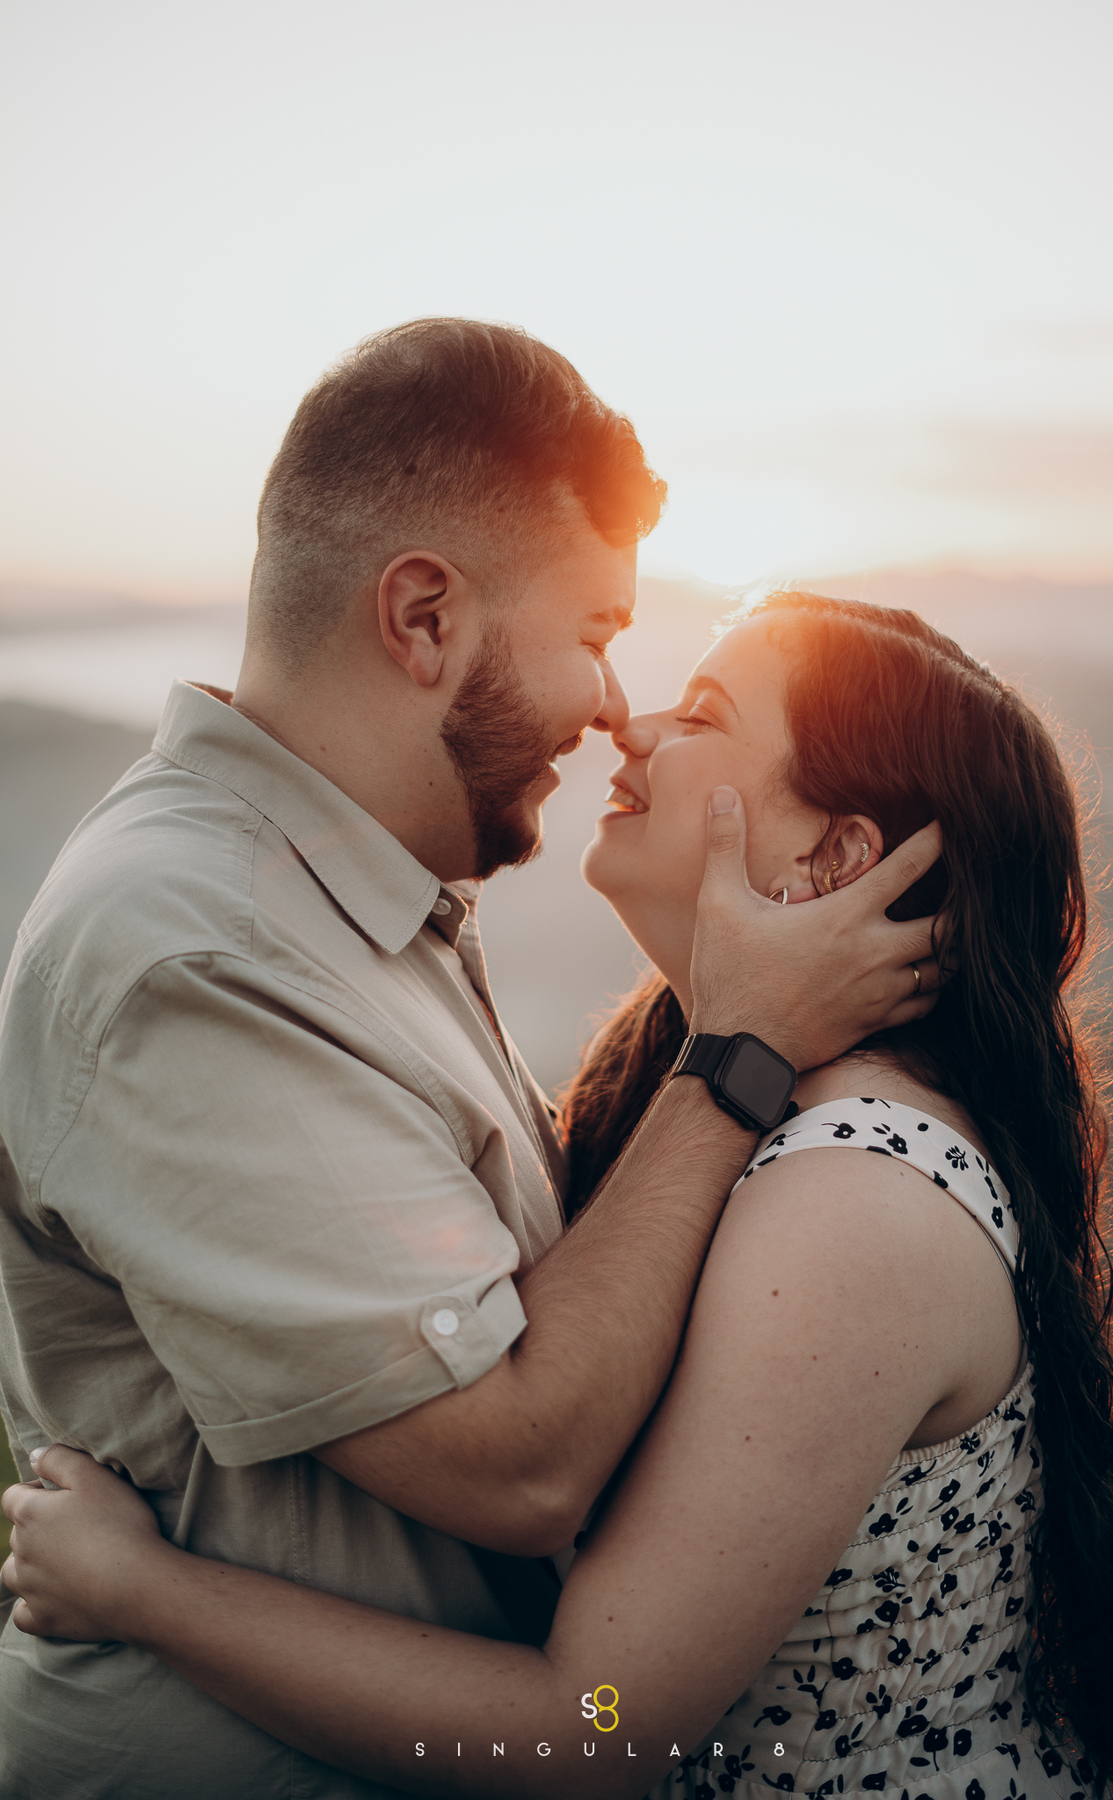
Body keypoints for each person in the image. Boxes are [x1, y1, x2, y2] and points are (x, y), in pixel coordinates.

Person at [5, 592, 1113, 1800]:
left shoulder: (854, 1201)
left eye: (706, 715)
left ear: (833, 859)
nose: (633, 727)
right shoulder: (721, 1115)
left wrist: (144, 1594)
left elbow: (589, 1729)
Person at [0, 324, 941, 1800]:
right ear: (425, 615)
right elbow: (517, 1466)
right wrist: (739, 1054)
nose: (614, 708)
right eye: (596, 632)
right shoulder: (199, 951)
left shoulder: (364, 892)